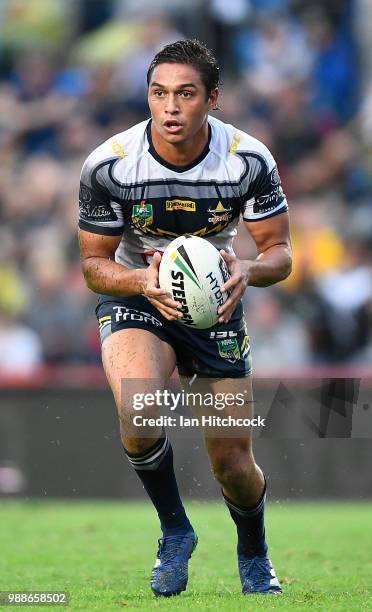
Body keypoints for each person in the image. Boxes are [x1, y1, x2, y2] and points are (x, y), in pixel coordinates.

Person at [78, 39, 292, 597]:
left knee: (232, 466)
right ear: (147, 97)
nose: (170, 107)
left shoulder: (248, 158)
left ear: (213, 100)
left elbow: (281, 253)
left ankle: (254, 553)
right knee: (139, 403)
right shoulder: (111, 164)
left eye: (185, 94)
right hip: (137, 294)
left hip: (213, 304)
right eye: (158, 93)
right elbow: (94, 265)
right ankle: (175, 531)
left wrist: (248, 268)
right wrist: (141, 281)